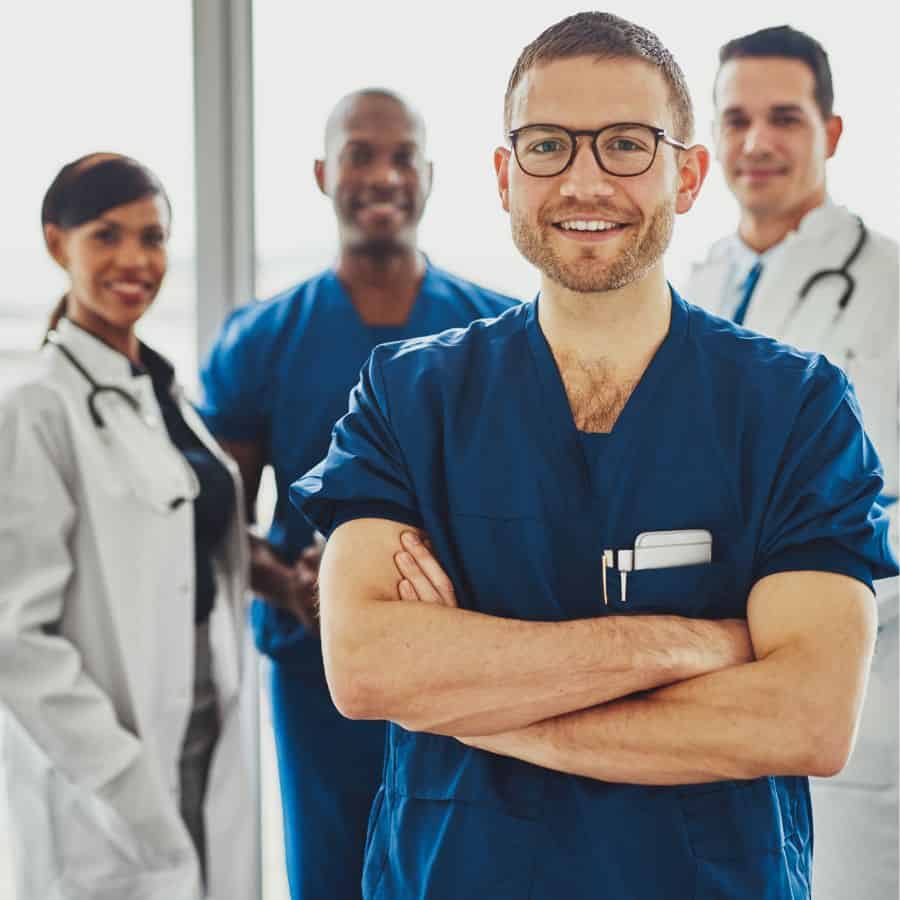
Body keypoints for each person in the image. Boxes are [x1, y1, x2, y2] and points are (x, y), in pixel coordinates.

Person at [291, 13, 897, 899]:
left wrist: (474, 706)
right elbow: (369, 668)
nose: (584, 179)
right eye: (546, 145)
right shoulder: (408, 397)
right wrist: (691, 646)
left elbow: (807, 717)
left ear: (687, 176)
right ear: (504, 175)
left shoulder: (795, 407)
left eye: (625, 144)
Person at [198, 89, 518, 899]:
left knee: (460, 871)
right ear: (322, 173)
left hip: (462, 669)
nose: (383, 174)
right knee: (333, 875)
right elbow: (219, 520)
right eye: (360, 154)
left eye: (402, 155)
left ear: (432, 176)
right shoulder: (263, 339)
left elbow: (529, 506)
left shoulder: (499, 335)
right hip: (317, 678)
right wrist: (292, 584)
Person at [0, 153, 259, 900]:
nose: (135, 261)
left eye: (153, 238)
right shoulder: (38, 410)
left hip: (206, 725)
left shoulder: (162, 392)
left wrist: (280, 572)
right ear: (58, 243)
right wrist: (118, 774)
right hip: (111, 761)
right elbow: (16, 637)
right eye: (107, 236)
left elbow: (188, 544)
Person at [684, 26, 899, 900]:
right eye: (735, 119)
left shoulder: (887, 288)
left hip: (862, 690)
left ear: (832, 132)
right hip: (706, 690)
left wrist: (802, 623)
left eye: (784, 117)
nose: (757, 142)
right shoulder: (687, 287)